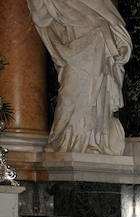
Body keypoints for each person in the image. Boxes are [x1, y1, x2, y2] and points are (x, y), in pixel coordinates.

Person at [27, 0, 132, 154]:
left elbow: (113, 22)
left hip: (100, 51)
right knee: (69, 95)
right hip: (74, 51)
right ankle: (64, 139)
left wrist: (123, 45)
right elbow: (42, 16)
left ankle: (93, 142)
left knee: (98, 99)